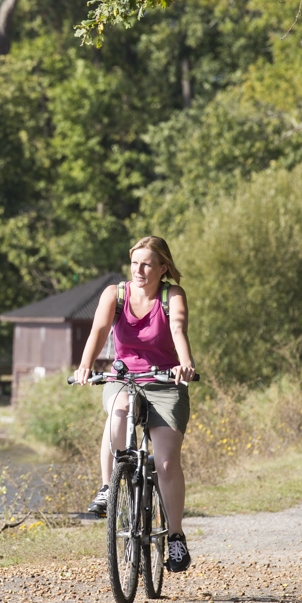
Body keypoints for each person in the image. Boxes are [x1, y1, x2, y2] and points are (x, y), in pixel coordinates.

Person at [74, 236, 197, 572]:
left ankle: (175, 536)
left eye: (147, 265)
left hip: (165, 381)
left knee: (167, 463)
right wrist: (86, 365)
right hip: (124, 378)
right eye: (134, 264)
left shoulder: (172, 296)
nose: (139, 270)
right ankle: (110, 485)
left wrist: (185, 363)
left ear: (163, 268)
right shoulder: (115, 294)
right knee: (120, 410)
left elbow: (178, 329)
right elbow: (99, 330)